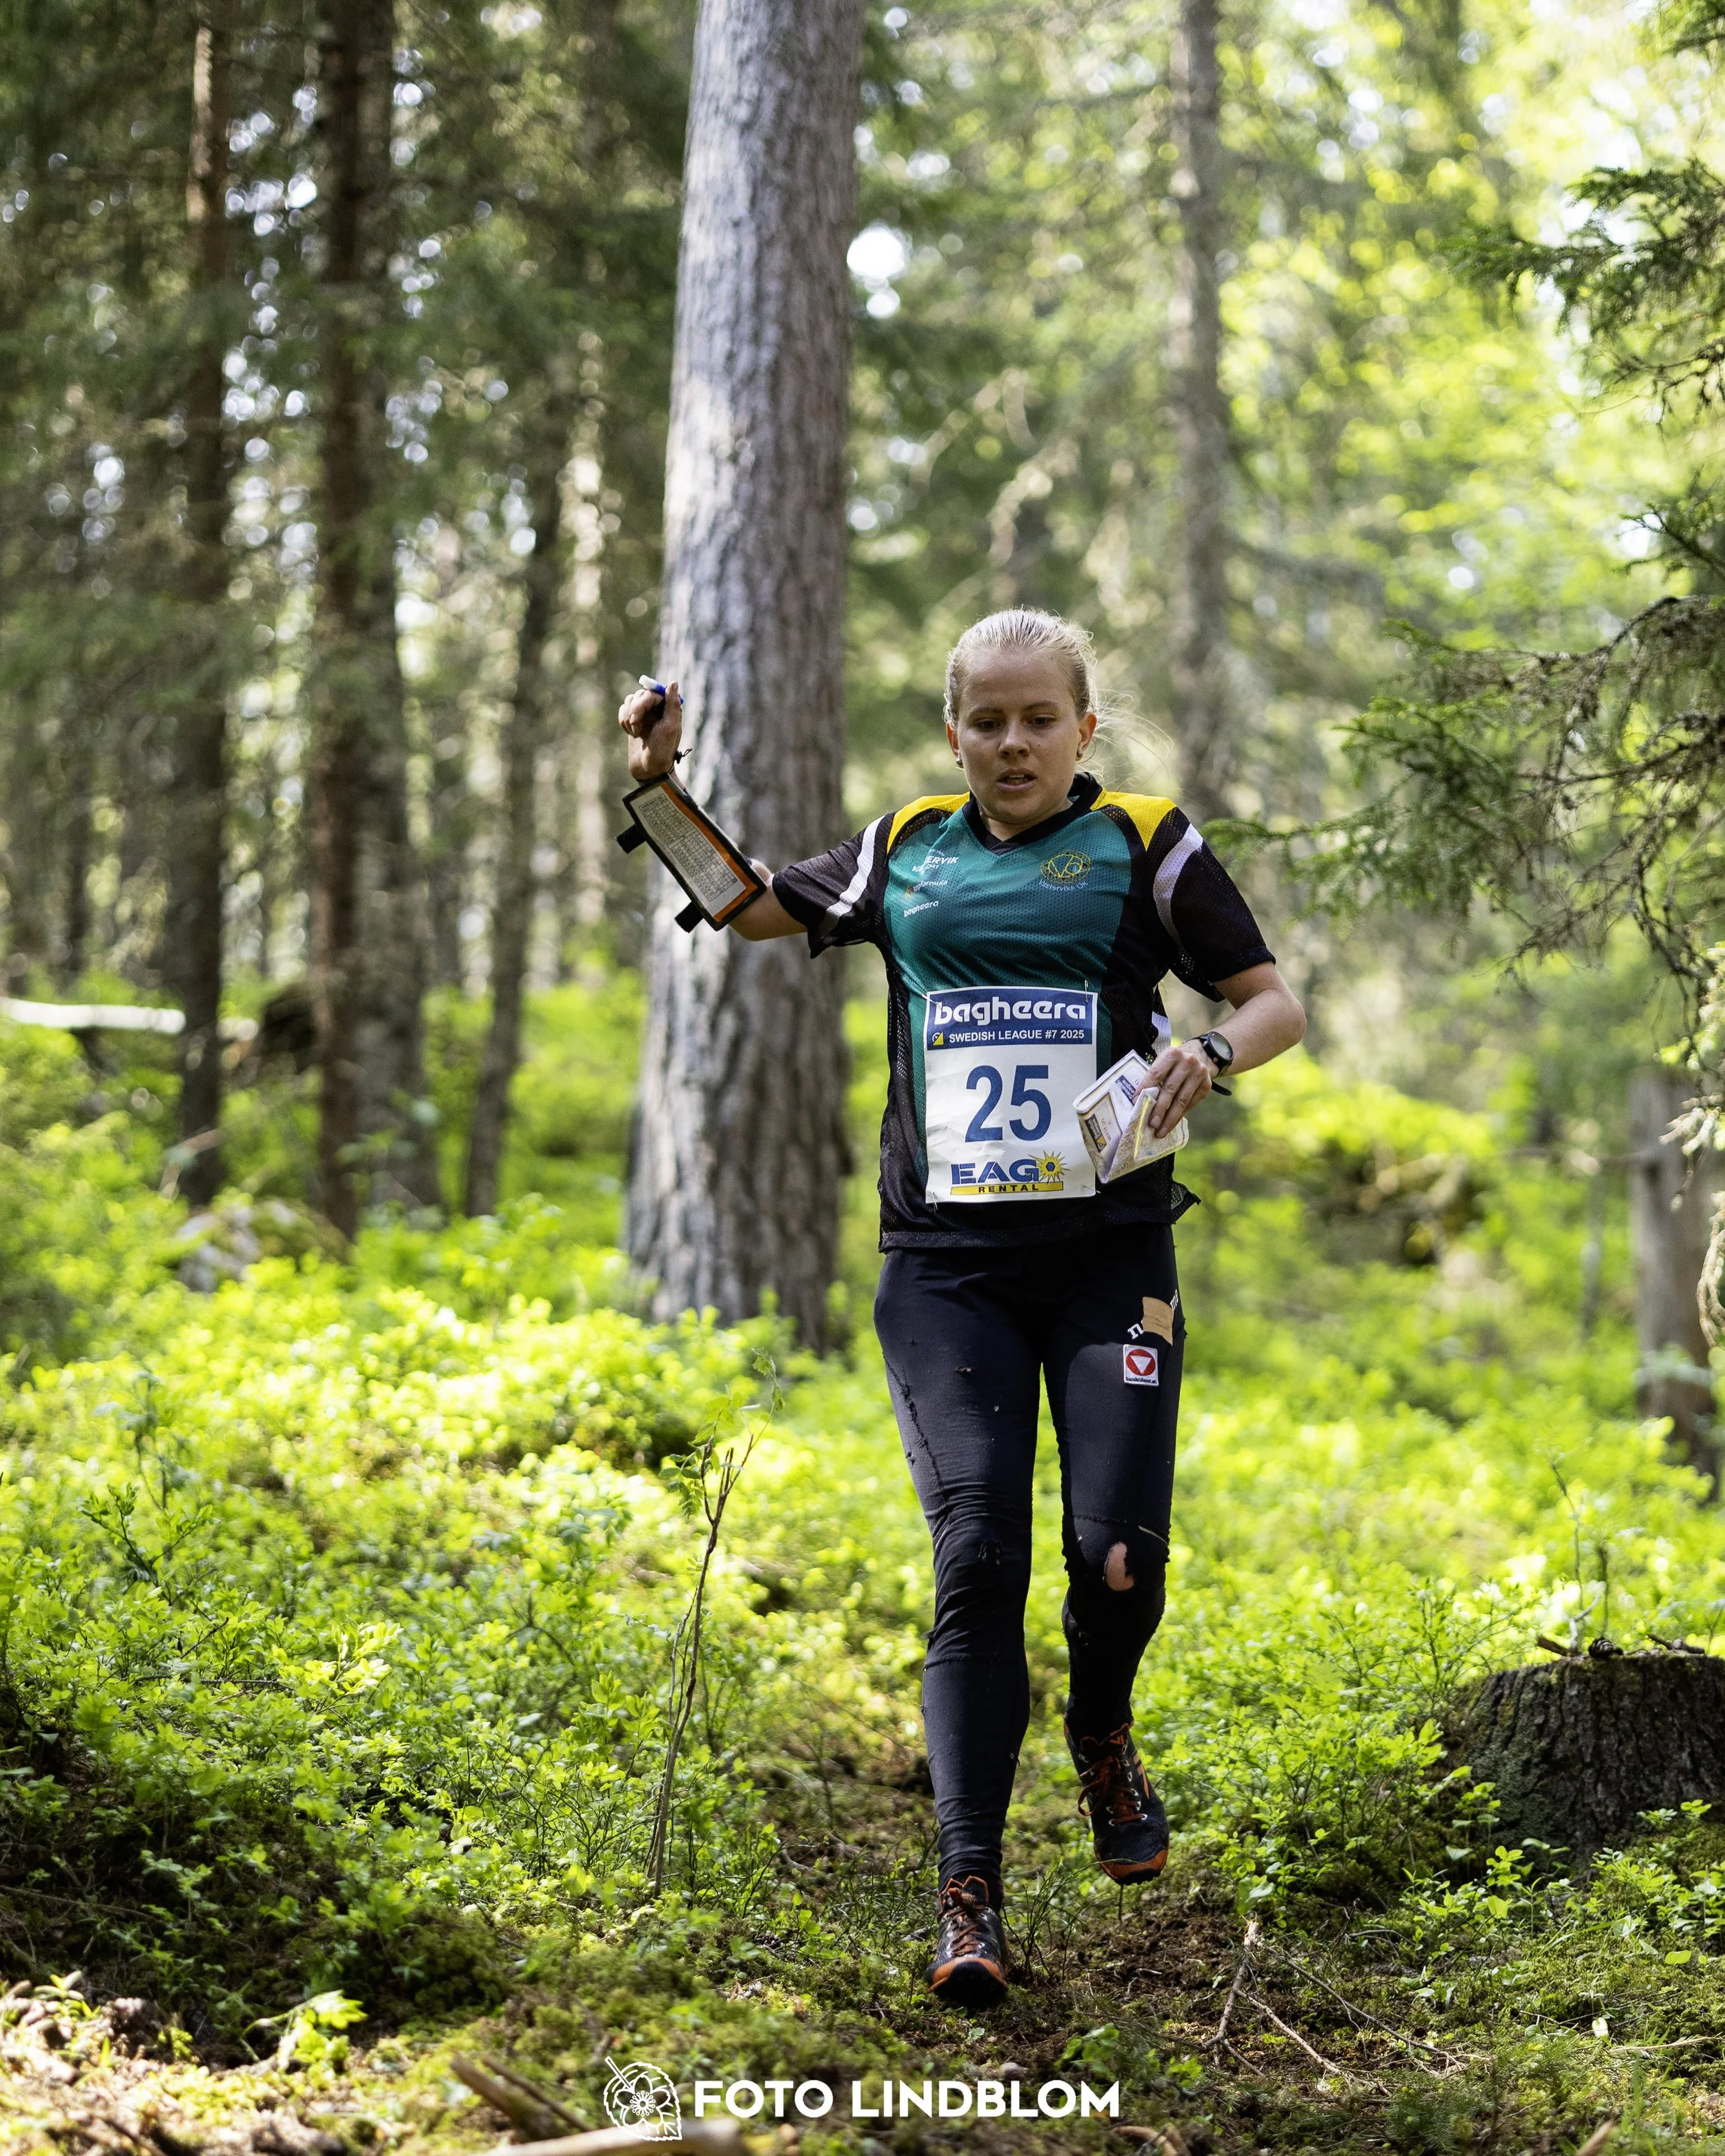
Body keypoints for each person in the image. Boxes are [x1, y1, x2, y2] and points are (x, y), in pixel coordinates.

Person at [620, 609, 1305, 2008]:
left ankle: (1100, 1724)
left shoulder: (1146, 843)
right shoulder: (902, 846)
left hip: (1110, 1255)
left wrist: (1210, 1054)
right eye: (984, 720)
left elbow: (1269, 994)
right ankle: (966, 1886)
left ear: (1082, 731)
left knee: (1116, 1556)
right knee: (977, 1551)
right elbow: (744, 902)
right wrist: (656, 786)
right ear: (953, 730)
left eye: (1036, 719)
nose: (1009, 743)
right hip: (945, 1267)